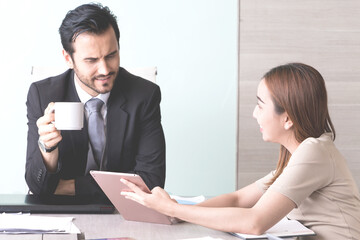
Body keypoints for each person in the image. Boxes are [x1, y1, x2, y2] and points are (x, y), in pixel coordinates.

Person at [121, 63, 360, 239]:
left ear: (287, 118)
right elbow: (238, 199)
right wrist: (175, 213)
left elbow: (255, 222)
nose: (255, 114)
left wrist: (173, 209)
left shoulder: (314, 153)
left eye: (260, 105)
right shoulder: (300, 155)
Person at [25, 3, 165, 200]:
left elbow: (152, 182)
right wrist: (48, 149)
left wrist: (68, 187)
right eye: (91, 60)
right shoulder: (42, 95)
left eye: (111, 55)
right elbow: (38, 187)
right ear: (68, 58)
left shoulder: (144, 96)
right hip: (62, 213)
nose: (104, 69)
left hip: (122, 212)